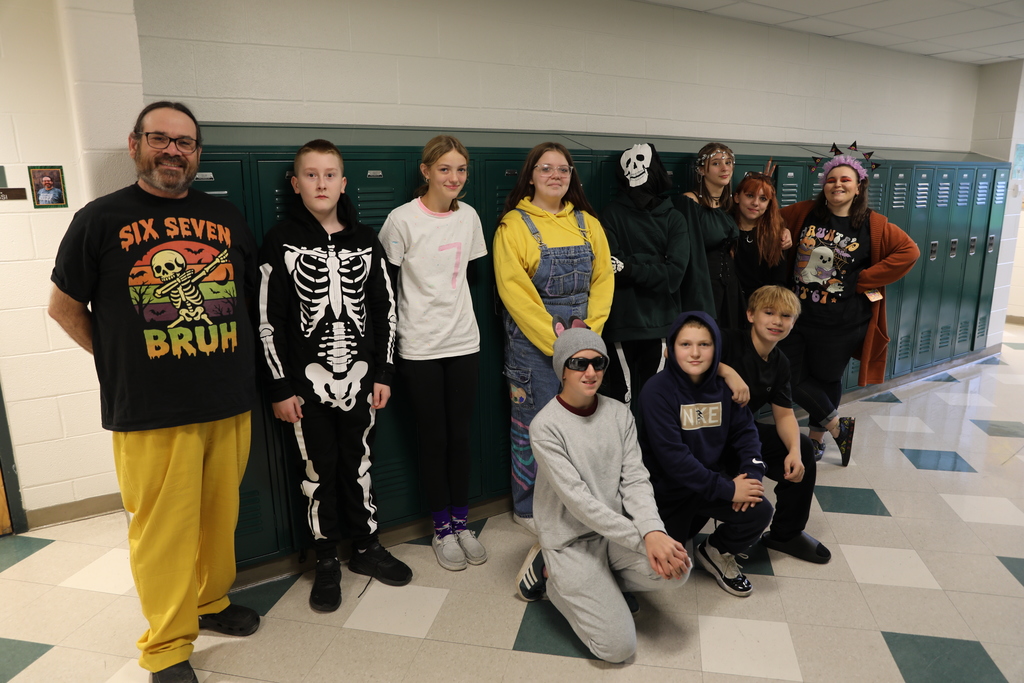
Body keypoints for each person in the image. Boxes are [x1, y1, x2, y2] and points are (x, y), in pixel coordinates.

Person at [48, 101, 260, 683]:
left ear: (197, 153)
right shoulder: (99, 218)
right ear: (136, 143)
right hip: (149, 412)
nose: (173, 150)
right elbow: (63, 309)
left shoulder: (226, 215)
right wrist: (122, 362)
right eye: (160, 139)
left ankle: (210, 602)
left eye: (185, 142)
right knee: (162, 532)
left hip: (227, 399)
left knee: (219, 518)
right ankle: (166, 646)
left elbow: (241, 299)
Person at [258, 139, 411, 614]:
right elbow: (267, 321)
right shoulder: (279, 242)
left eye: (329, 175)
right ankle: (326, 558)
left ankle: (366, 547)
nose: (321, 183)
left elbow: (387, 313)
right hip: (305, 389)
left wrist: (384, 372)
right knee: (316, 472)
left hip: (362, 381)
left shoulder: (366, 241)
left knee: (359, 465)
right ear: (296, 183)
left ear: (343, 184)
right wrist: (280, 386)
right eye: (311, 174)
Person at [515, 326, 690, 663]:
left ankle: (602, 582)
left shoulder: (619, 414)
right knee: (618, 649)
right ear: (562, 369)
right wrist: (643, 542)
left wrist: (654, 531)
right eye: (579, 364)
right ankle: (551, 577)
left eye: (598, 363)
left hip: (612, 535)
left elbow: (636, 480)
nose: (591, 372)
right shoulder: (545, 426)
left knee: (677, 568)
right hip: (570, 539)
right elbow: (580, 503)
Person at [378, 135, 489, 571]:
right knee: (433, 438)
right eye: (445, 169)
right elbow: (386, 288)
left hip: (463, 341)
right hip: (420, 346)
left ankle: (462, 521)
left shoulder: (471, 218)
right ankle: (441, 526)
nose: (454, 177)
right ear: (426, 171)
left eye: (461, 169)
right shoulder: (401, 220)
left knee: (460, 437)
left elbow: (467, 276)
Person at [493, 142, 613, 531]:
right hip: (534, 347)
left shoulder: (587, 223)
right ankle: (527, 508)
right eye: (546, 169)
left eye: (563, 170)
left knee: (578, 425)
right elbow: (517, 295)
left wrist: (587, 340)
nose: (556, 176)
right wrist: (561, 347)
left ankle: (573, 504)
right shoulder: (513, 226)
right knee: (533, 426)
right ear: (531, 175)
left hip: (582, 343)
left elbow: (603, 281)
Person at [780, 155, 920, 464]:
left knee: (827, 378)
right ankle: (836, 425)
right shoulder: (804, 212)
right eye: (831, 179)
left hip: (842, 321)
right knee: (785, 376)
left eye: (845, 180)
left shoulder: (874, 224)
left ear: (859, 187)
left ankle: (816, 441)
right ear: (824, 186)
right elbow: (768, 216)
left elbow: (910, 251)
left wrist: (864, 279)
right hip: (798, 316)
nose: (837, 184)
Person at [639, 311, 773, 597]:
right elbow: (674, 459)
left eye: (705, 344)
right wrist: (728, 490)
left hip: (709, 484)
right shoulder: (656, 391)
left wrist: (749, 477)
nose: (695, 353)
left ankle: (717, 550)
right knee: (662, 571)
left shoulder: (727, 388)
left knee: (760, 509)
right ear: (670, 349)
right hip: (668, 492)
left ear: (717, 349)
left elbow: (746, 434)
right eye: (685, 344)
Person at [720, 286, 830, 563]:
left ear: (793, 323)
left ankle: (786, 535)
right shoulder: (727, 341)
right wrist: (727, 371)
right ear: (750, 315)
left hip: (740, 434)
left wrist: (793, 451)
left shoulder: (780, 362)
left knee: (803, 447)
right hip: (702, 433)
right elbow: (674, 352)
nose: (777, 321)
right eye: (768, 313)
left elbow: (783, 415)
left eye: (786, 316)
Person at [600, 143, 712, 408]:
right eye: (629, 163)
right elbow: (609, 267)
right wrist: (654, 263)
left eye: (641, 160)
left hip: (660, 323)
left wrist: (629, 267)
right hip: (621, 323)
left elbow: (673, 275)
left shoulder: (674, 218)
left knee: (658, 400)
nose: (636, 168)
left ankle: (656, 451)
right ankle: (624, 452)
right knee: (619, 399)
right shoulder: (611, 214)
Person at [672, 142, 745, 330]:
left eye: (728, 162)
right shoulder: (689, 202)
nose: (724, 168)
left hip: (729, 286)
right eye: (716, 163)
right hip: (703, 287)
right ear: (701, 170)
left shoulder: (727, 205)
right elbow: (687, 253)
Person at [729, 172, 790, 303]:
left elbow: (778, 282)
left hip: (761, 305)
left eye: (763, 199)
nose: (755, 203)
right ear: (737, 197)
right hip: (728, 303)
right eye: (750, 196)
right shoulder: (723, 228)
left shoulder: (776, 235)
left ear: (769, 204)